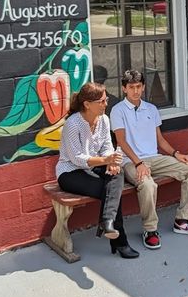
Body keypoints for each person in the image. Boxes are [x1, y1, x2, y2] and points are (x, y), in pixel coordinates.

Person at [111, 69, 188, 250]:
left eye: (138, 86)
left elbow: (160, 140)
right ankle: (150, 230)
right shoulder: (118, 111)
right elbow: (121, 142)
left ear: (143, 87)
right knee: (148, 185)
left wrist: (175, 153)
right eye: (131, 87)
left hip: (154, 158)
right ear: (124, 89)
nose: (135, 91)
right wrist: (138, 163)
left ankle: (183, 220)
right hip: (130, 161)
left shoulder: (151, 109)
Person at [55, 82, 139, 259]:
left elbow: (107, 146)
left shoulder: (104, 120)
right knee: (110, 191)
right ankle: (119, 240)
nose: (105, 104)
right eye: (101, 101)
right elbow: (77, 158)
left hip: (95, 165)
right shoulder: (72, 124)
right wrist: (106, 160)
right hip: (70, 171)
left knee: (117, 173)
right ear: (87, 104)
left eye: (106, 100)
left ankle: (107, 222)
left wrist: (111, 162)